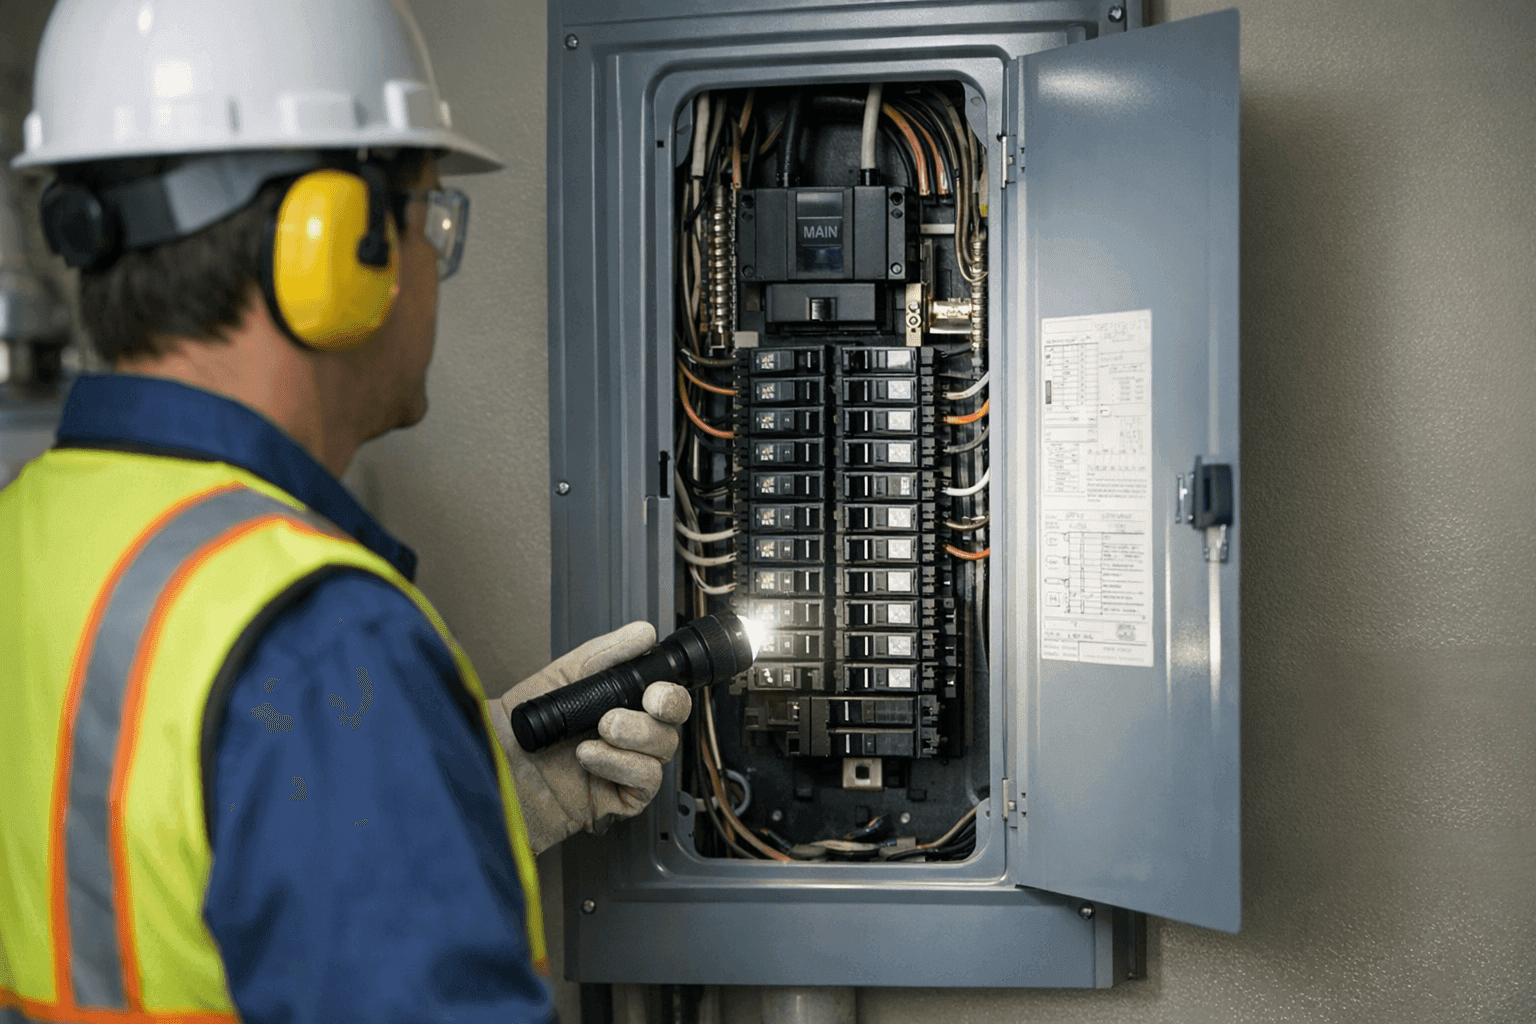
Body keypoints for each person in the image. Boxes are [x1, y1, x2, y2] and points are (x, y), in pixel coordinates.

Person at [0, 2, 688, 1022]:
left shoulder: (30, 529)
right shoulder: (326, 645)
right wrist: (378, 751)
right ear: (335, 250)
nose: (429, 266)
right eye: (426, 217)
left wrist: (470, 788)